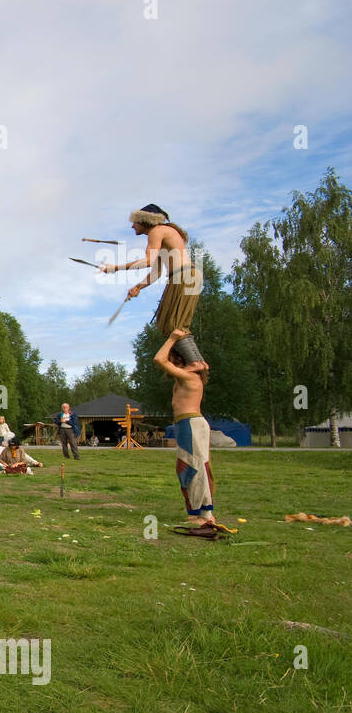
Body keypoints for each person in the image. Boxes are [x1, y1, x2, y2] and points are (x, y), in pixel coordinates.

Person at [99, 204, 206, 368]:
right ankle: (194, 362)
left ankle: (196, 363)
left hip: (185, 276)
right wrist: (138, 287)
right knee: (166, 324)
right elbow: (156, 272)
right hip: (181, 277)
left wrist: (114, 268)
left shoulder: (157, 231)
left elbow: (148, 261)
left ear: (144, 220)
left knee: (175, 325)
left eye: (135, 222)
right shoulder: (161, 233)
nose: (132, 225)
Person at [156, 327, 219, 536]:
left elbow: (159, 359)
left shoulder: (189, 378)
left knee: (195, 467)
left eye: (175, 360)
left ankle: (206, 514)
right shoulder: (186, 376)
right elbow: (165, 364)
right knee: (187, 467)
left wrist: (173, 338)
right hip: (186, 424)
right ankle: (196, 511)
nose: (171, 364)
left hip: (192, 424)